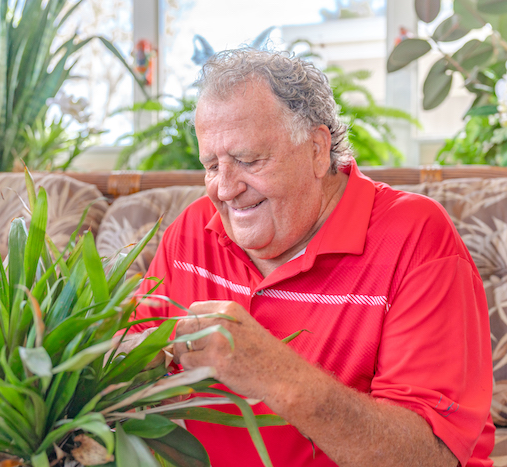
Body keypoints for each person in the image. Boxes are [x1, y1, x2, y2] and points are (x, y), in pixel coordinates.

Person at [130, 48, 494, 466]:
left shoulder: (416, 237)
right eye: (212, 165)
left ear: (318, 149)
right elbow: (137, 353)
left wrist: (274, 374)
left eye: (249, 160)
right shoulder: (194, 231)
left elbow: (432, 458)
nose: (225, 190)